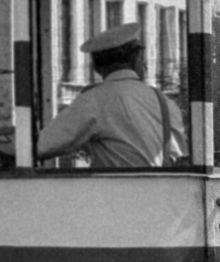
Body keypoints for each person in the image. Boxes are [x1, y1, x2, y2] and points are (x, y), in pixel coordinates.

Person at [34, 22, 186, 168]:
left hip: (117, 192)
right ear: (136, 59)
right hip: (164, 191)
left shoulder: (94, 100)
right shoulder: (165, 102)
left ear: (96, 68)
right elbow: (179, 157)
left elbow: (42, 146)